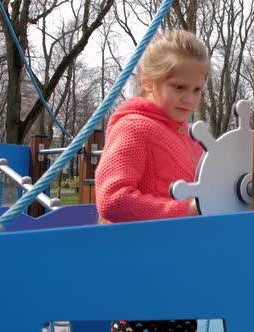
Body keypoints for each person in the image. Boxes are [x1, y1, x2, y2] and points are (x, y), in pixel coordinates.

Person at [94, 29, 210, 332]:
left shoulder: (191, 140)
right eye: (179, 86)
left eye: (197, 89)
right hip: (141, 271)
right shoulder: (134, 128)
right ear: (149, 82)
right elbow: (112, 199)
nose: (189, 98)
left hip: (180, 272)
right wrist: (185, 209)